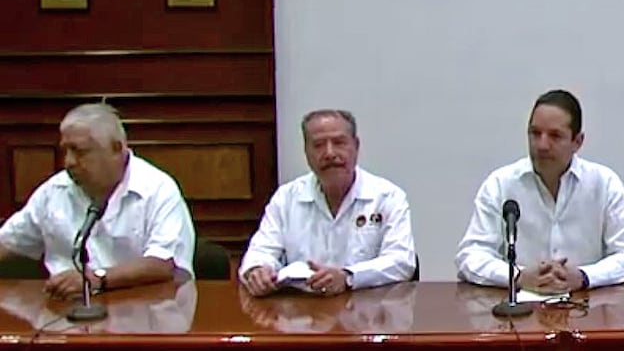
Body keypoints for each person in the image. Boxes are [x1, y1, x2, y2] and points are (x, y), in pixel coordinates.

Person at [456, 89, 624, 292]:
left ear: (577, 142)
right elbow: (470, 256)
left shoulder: (604, 183)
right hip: (520, 306)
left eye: (555, 136)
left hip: (586, 306)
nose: (542, 145)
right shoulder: (500, 184)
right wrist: (518, 276)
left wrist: (584, 277)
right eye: (535, 133)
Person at [0, 103, 195, 300]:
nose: (68, 161)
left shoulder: (157, 189)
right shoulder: (54, 192)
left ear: (116, 149)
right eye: (65, 150)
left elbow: (163, 264)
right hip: (65, 311)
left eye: (79, 151)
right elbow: (7, 241)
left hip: (142, 308)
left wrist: (96, 278)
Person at [239, 109, 416, 297]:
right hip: (302, 309)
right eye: (318, 145)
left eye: (339, 142)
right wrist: (258, 270)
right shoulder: (286, 198)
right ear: (306, 152)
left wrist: (348, 277)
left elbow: (402, 262)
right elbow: (261, 251)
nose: (330, 153)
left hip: (367, 308)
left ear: (356, 146)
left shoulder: (387, 197)